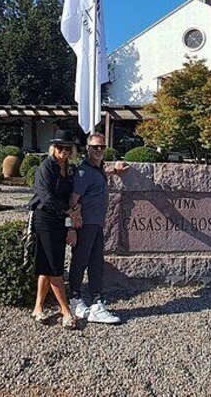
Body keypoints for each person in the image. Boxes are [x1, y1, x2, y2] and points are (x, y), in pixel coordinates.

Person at [68, 132, 129, 324]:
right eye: (95, 147)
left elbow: (101, 174)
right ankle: (75, 300)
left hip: (97, 224)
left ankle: (96, 302)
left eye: (102, 147)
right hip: (84, 225)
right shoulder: (83, 171)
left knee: (95, 263)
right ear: (88, 148)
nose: (99, 150)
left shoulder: (97, 169)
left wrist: (115, 171)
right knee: (80, 261)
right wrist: (70, 226)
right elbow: (73, 200)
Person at [30, 130, 79, 329]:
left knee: (46, 264)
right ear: (53, 148)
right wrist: (68, 211)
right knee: (55, 266)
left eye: (68, 148)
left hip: (60, 218)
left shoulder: (70, 169)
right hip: (45, 217)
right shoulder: (46, 167)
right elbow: (45, 196)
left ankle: (38, 307)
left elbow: (73, 194)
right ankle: (65, 311)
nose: (64, 151)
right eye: (60, 147)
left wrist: (72, 214)